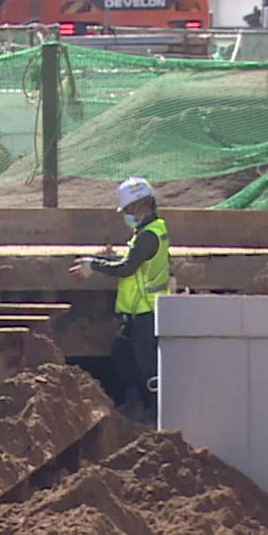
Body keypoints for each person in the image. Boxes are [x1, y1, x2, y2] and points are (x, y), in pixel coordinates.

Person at [68, 177, 170, 422]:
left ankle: (156, 412)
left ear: (139, 206)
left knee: (148, 366)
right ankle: (135, 402)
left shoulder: (148, 236)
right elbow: (134, 263)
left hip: (146, 311)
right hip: (137, 310)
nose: (125, 214)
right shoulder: (148, 232)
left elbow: (127, 268)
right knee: (122, 352)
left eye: (127, 209)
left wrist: (94, 264)